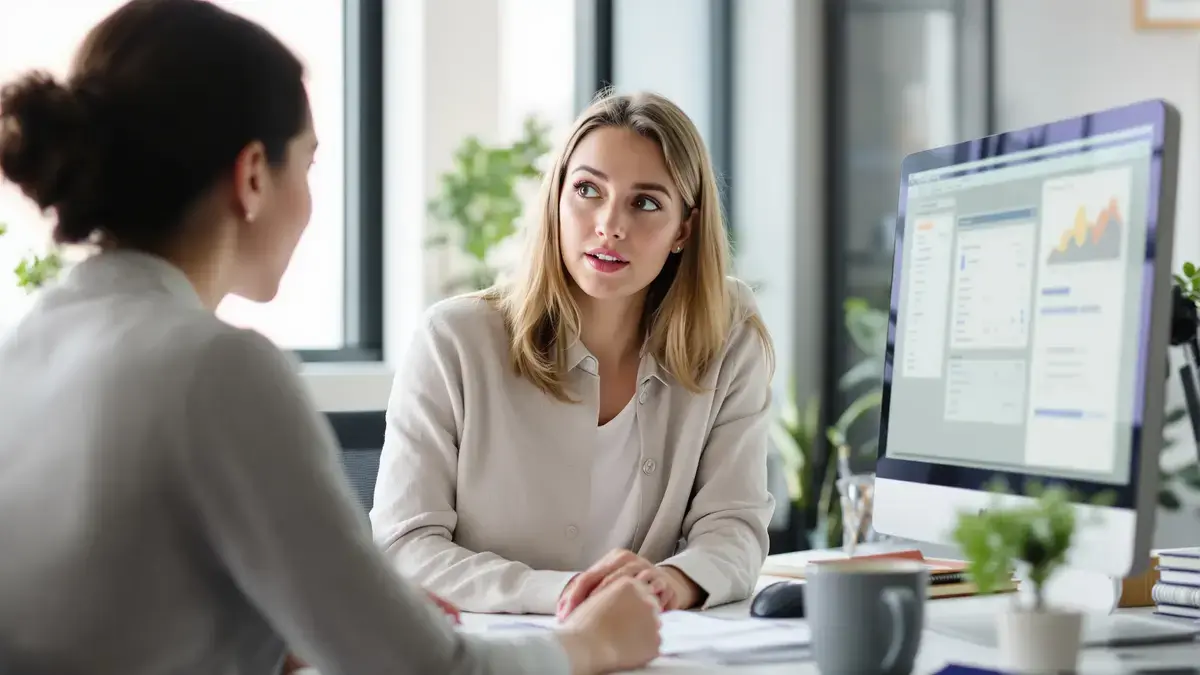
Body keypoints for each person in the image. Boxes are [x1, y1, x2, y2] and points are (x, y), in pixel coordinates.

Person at [0, 1, 662, 673]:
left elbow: (107, 613)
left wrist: (274, 635)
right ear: (253, 174)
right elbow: (427, 670)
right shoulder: (216, 369)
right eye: (309, 165)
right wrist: (593, 643)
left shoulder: (27, 349)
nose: (311, 202)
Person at [371, 91, 776, 618]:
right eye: (588, 190)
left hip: (649, 651)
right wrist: (567, 593)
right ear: (556, 199)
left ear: (684, 229)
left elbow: (734, 526)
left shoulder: (727, 333)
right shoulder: (454, 341)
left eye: (646, 201)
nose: (610, 224)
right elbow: (404, 548)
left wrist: (669, 584)